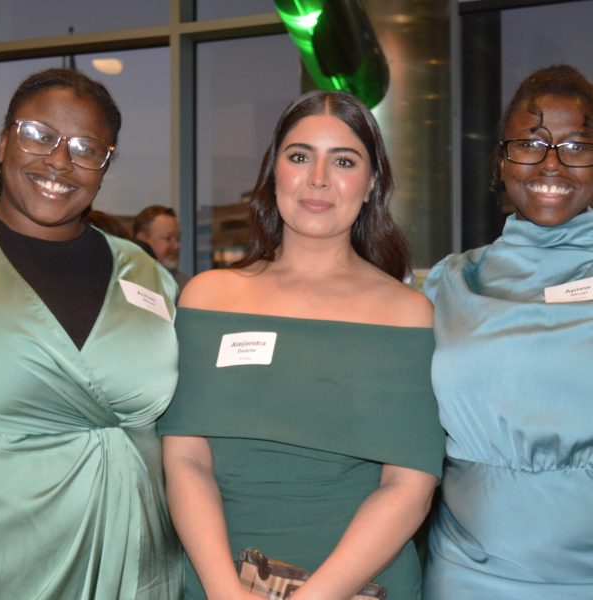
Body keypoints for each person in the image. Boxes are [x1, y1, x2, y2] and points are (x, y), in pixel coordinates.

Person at [159, 89, 444, 599]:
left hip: (362, 586)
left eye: (344, 161)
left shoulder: (408, 314)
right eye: (299, 156)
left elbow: (408, 487)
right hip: (216, 580)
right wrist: (225, 591)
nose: (318, 178)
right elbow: (186, 459)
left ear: (372, 183)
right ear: (274, 173)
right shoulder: (208, 297)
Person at [0, 68, 182, 599]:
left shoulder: (145, 274)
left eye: (85, 148)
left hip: (141, 563)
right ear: (4, 142)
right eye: (39, 135)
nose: (59, 161)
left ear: (105, 165)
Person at [422, 64, 593, 599]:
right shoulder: (449, 282)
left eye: (576, 146)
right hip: (465, 574)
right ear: (501, 161)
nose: (551, 163)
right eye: (530, 143)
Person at [133, 204, 191, 292]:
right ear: (142, 240)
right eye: (168, 238)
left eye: (178, 239)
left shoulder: (187, 287)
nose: (177, 246)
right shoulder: (124, 282)